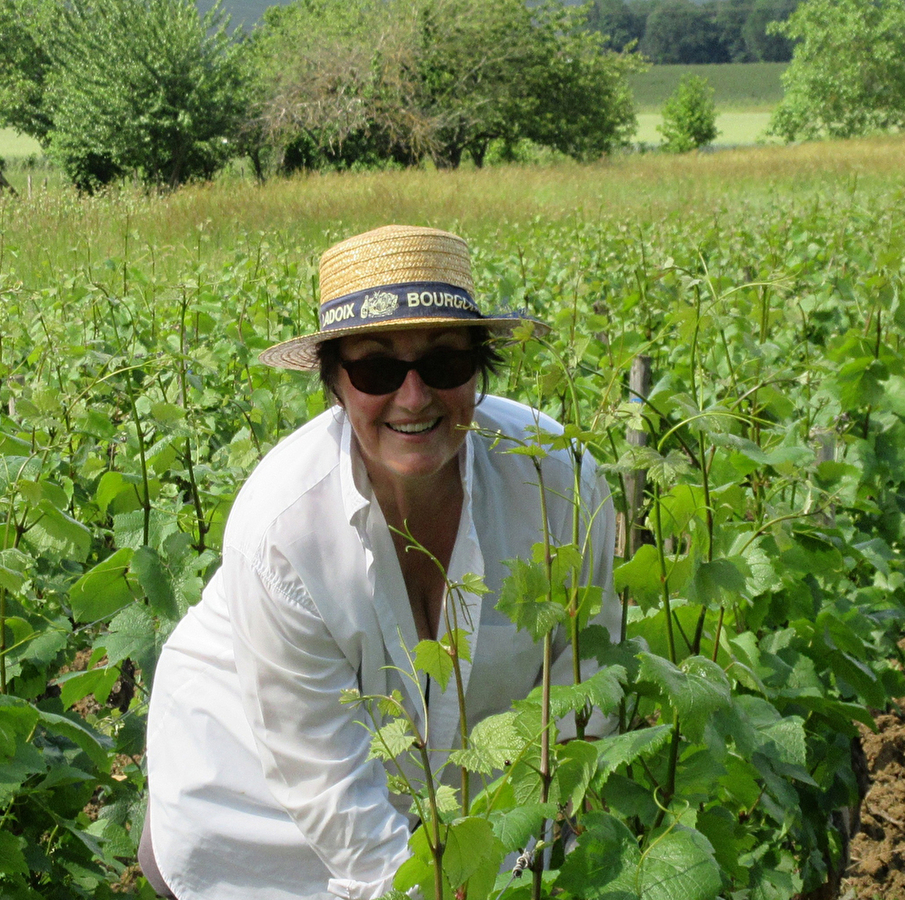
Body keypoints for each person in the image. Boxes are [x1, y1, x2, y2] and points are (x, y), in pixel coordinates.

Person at [141, 225, 619, 900]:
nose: (415, 396)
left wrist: (544, 845)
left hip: (465, 805)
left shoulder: (556, 480)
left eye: (445, 363)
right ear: (335, 382)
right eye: (376, 369)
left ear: (479, 369)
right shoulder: (281, 528)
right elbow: (321, 776)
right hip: (258, 785)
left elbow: (583, 671)